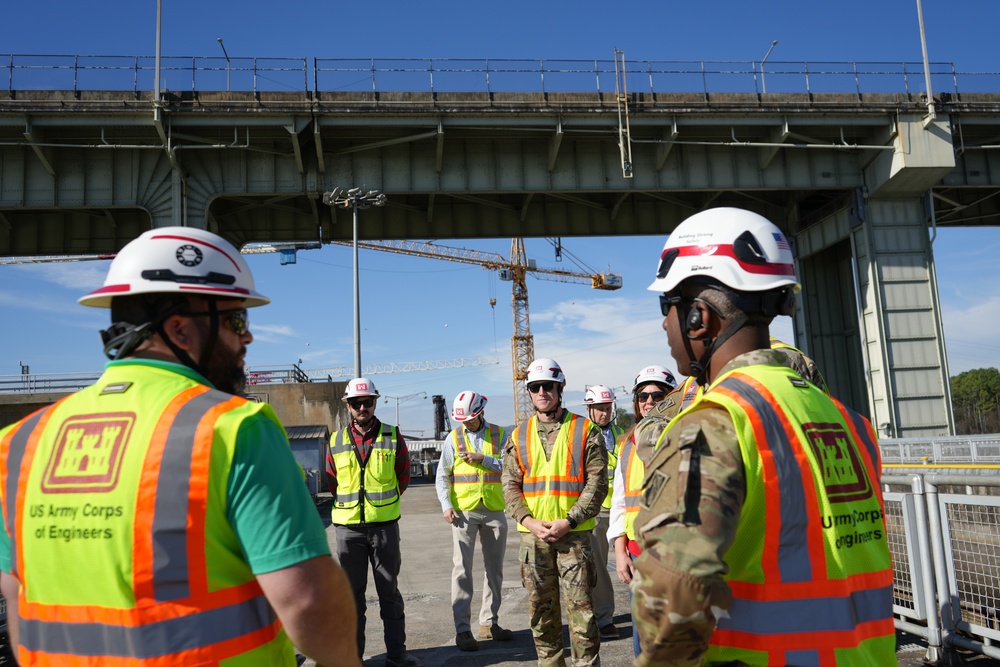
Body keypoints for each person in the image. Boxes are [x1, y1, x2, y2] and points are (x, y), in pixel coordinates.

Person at [0, 227, 361, 666]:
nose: (247, 338)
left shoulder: (17, 444)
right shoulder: (233, 427)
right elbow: (308, 602)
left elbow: (18, 601)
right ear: (178, 330)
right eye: (236, 321)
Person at [632, 207, 897, 666]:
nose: (664, 325)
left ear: (700, 318)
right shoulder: (849, 421)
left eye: (668, 307)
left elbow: (674, 588)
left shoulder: (713, 423)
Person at [502, 358, 608, 667]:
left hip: (574, 537)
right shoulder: (518, 435)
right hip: (534, 539)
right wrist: (530, 522)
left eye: (548, 386)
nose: (542, 392)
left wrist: (569, 520)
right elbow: (509, 486)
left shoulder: (585, 430)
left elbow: (597, 484)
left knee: (583, 616)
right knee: (541, 615)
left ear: (560, 388)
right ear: (530, 393)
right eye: (535, 387)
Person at [326, 378, 423, 667]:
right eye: (357, 403)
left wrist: (381, 506)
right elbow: (332, 482)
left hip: (384, 528)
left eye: (368, 401)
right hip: (348, 531)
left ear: (375, 402)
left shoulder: (393, 436)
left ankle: (396, 654)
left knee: (389, 593)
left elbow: (402, 477)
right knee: (352, 599)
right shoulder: (335, 440)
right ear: (348, 406)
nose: (363, 407)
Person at [435, 390, 514, 652]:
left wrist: (485, 459)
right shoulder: (453, 438)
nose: (466, 424)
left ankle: (489, 623)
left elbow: (512, 466)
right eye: (463, 420)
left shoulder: (501, 435)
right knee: (462, 570)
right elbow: (442, 476)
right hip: (463, 512)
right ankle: (463, 630)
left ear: (481, 412)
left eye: (469, 419)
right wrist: (446, 506)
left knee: (495, 570)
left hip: (493, 510)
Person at [606, 365, 677, 657]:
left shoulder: (686, 435)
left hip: (678, 553)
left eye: (657, 395)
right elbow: (620, 503)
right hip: (638, 553)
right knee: (644, 636)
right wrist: (620, 552)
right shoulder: (626, 444)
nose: (649, 401)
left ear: (671, 398)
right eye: (642, 396)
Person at [581, 384, 624, 641]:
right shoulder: (583, 435)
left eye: (607, 408)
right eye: (599, 409)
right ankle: (604, 618)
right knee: (597, 566)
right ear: (589, 409)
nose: (604, 414)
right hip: (595, 512)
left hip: (620, 509)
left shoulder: (621, 434)